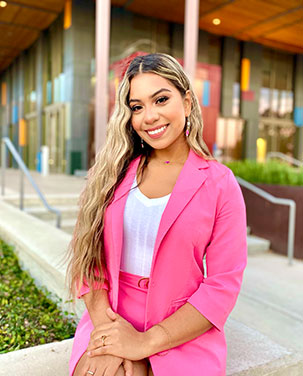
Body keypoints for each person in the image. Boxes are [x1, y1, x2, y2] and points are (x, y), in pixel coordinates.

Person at [67, 53, 247, 376]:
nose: (149, 116)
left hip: (182, 331)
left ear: (187, 102)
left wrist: (145, 342)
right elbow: (88, 260)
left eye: (160, 99)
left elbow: (222, 285)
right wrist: (108, 333)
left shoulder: (220, 184)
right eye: (137, 107)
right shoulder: (110, 173)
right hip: (111, 315)